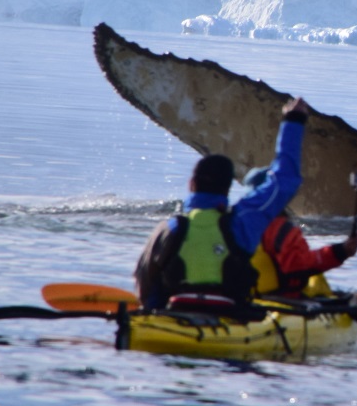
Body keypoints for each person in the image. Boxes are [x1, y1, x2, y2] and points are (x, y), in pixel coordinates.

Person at [134, 96, 314, 311]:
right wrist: (293, 121)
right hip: (230, 317)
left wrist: (152, 312)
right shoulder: (241, 222)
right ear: (228, 188)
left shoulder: (170, 228)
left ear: (191, 184)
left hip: (173, 316)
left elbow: (144, 279)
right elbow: (284, 181)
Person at [242, 165, 357, 299]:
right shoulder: (279, 227)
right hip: (278, 301)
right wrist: (340, 251)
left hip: (244, 298)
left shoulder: (233, 222)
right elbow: (298, 265)